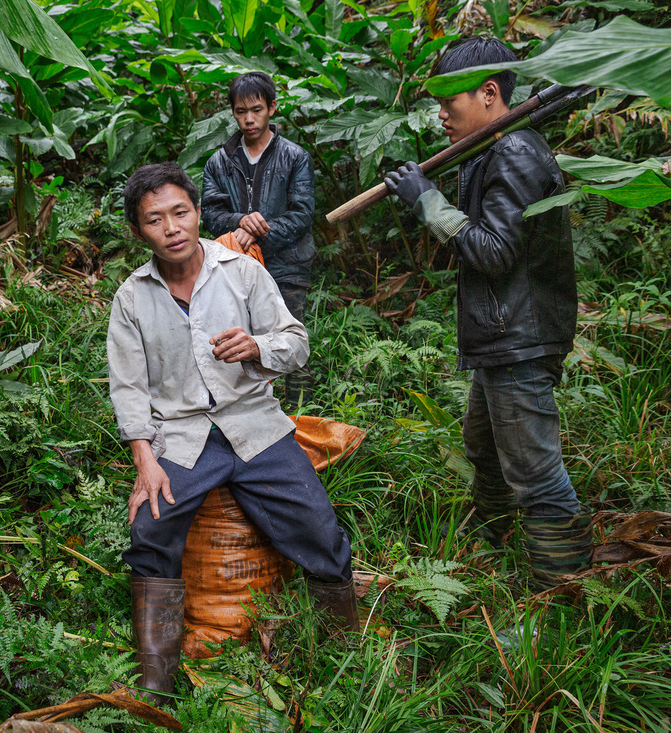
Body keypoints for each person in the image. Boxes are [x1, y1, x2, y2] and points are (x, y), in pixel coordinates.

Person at [108, 162, 356, 704]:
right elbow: (128, 388)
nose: (171, 227)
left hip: (255, 425)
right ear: (138, 231)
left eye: (180, 212)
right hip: (183, 435)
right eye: (155, 219)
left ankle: (342, 651)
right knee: (151, 530)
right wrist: (145, 463)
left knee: (316, 524)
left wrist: (258, 347)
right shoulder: (131, 297)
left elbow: (296, 342)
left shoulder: (241, 273)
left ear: (198, 213)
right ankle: (158, 680)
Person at [384, 37, 587, 590]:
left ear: (490, 93)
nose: (442, 117)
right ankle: (493, 551)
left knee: (535, 474)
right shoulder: (489, 149)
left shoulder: (515, 152)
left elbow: (495, 252)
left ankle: (562, 592)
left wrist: (427, 199)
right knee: (484, 447)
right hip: (502, 336)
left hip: (518, 337)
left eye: (450, 104)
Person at [200, 71, 316, 409]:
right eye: (240, 111)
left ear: (272, 108)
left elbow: (301, 215)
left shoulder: (295, 157)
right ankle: (255, 415)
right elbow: (210, 214)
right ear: (232, 112)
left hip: (287, 266)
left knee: (292, 341)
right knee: (243, 343)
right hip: (235, 267)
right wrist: (240, 221)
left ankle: (300, 414)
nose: (249, 119)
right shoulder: (219, 161)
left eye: (257, 109)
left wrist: (254, 233)